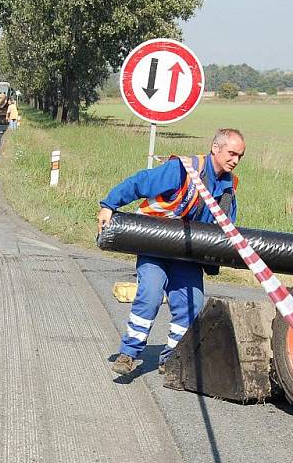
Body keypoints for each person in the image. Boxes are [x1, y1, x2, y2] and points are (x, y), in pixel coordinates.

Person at [97, 128, 246, 376]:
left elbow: (224, 227)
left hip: (187, 255)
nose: (236, 160)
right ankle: (128, 354)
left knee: (191, 304)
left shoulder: (229, 188)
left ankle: (172, 358)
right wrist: (108, 205)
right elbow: (141, 181)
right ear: (215, 148)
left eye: (240, 156)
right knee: (150, 294)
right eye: (232, 153)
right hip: (155, 245)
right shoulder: (184, 169)